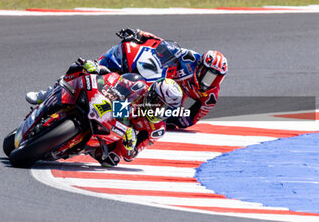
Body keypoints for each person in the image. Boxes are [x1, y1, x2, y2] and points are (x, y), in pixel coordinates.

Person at [26, 60, 183, 167]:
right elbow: (113, 80)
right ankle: (45, 96)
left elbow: (130, 155)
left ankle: (70, 147)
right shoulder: (138, 86)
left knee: (111, 160)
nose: (159, 109)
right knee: (78, 70)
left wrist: (129, 144)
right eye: (159, 103)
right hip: (107, 109)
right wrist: (98, 70)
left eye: (166, 109)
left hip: (114, 136)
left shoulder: (156, 129)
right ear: (152, 94)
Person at [97, 28, 229, 128]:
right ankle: (102, 73)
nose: (210, 82)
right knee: (136, 78)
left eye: (217, 79)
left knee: (150, 118)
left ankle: (122, 117)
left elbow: (190, 120)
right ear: (200, 67)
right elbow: (164, 45)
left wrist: (171, 117)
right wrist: (139, 34)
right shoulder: (189, 59)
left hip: (170, 99)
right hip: (159, 79)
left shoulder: (210, 96)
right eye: (209, 76)